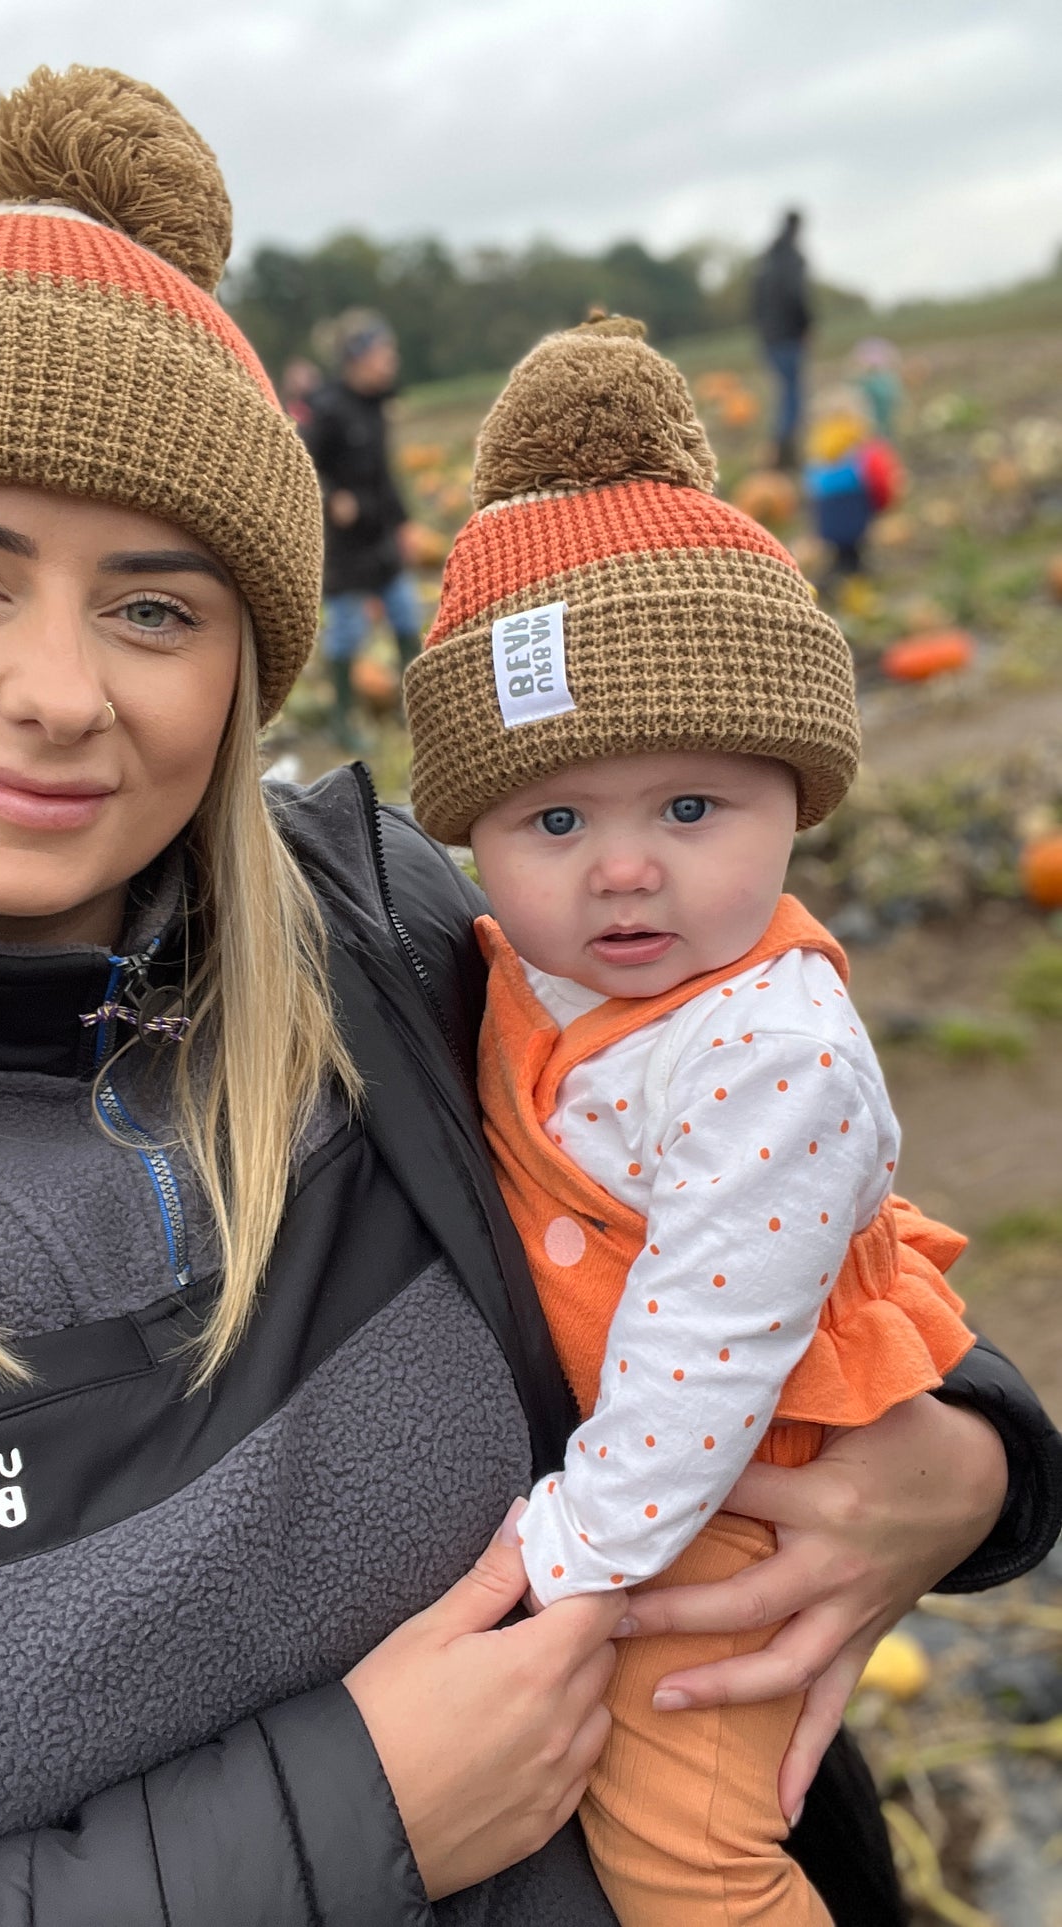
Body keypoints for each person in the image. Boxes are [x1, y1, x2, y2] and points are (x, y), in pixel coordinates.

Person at [0, 66, 1057, 1927]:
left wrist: (969, 1458)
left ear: (243, 664)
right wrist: (349, 1819)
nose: (62, 690)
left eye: (155, 606)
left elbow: (763, 1178)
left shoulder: (385, 929)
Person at [405, 316, 1061, 1926]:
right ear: (473, 834)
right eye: (554, 817)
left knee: (685, 1848)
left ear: (796, 796)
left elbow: (704, 1353)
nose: (624, 867)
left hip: (730, 1491)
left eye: (692, 808)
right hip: (667, 1474)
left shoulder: (773, 1053)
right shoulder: (515, 967)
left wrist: (572, 1543)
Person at [301, 309, 423, 747]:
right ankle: (343, 720)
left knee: (407, 614)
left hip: (380, 536)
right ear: (357, 357)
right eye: (382, 351)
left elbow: (385, 475)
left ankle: (418, 711)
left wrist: (404, 523)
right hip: (345, 548)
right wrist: (332, 494)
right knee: (348, 630)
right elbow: (302, 459)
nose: (391, 358)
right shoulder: (327, 410)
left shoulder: (375, 405)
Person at [804, 385, 904, 590]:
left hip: (826, 518)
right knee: (854, 545)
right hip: (856, 513)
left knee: (842, 548)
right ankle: (854, 572)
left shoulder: (817, 448)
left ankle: (841, 570)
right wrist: (882, 504)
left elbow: (810, 485)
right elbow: (879, 479)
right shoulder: (863, 446)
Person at [753, 211, 812, 470]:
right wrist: (806, 325)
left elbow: (754, 303)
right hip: (789, 335)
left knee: (783, 393)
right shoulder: (793, 259)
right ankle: (787, 454)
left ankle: (781, 453)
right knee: (792, 395)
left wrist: (762, 332)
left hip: (769, 338)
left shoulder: (766, 260)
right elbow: (796, 295)